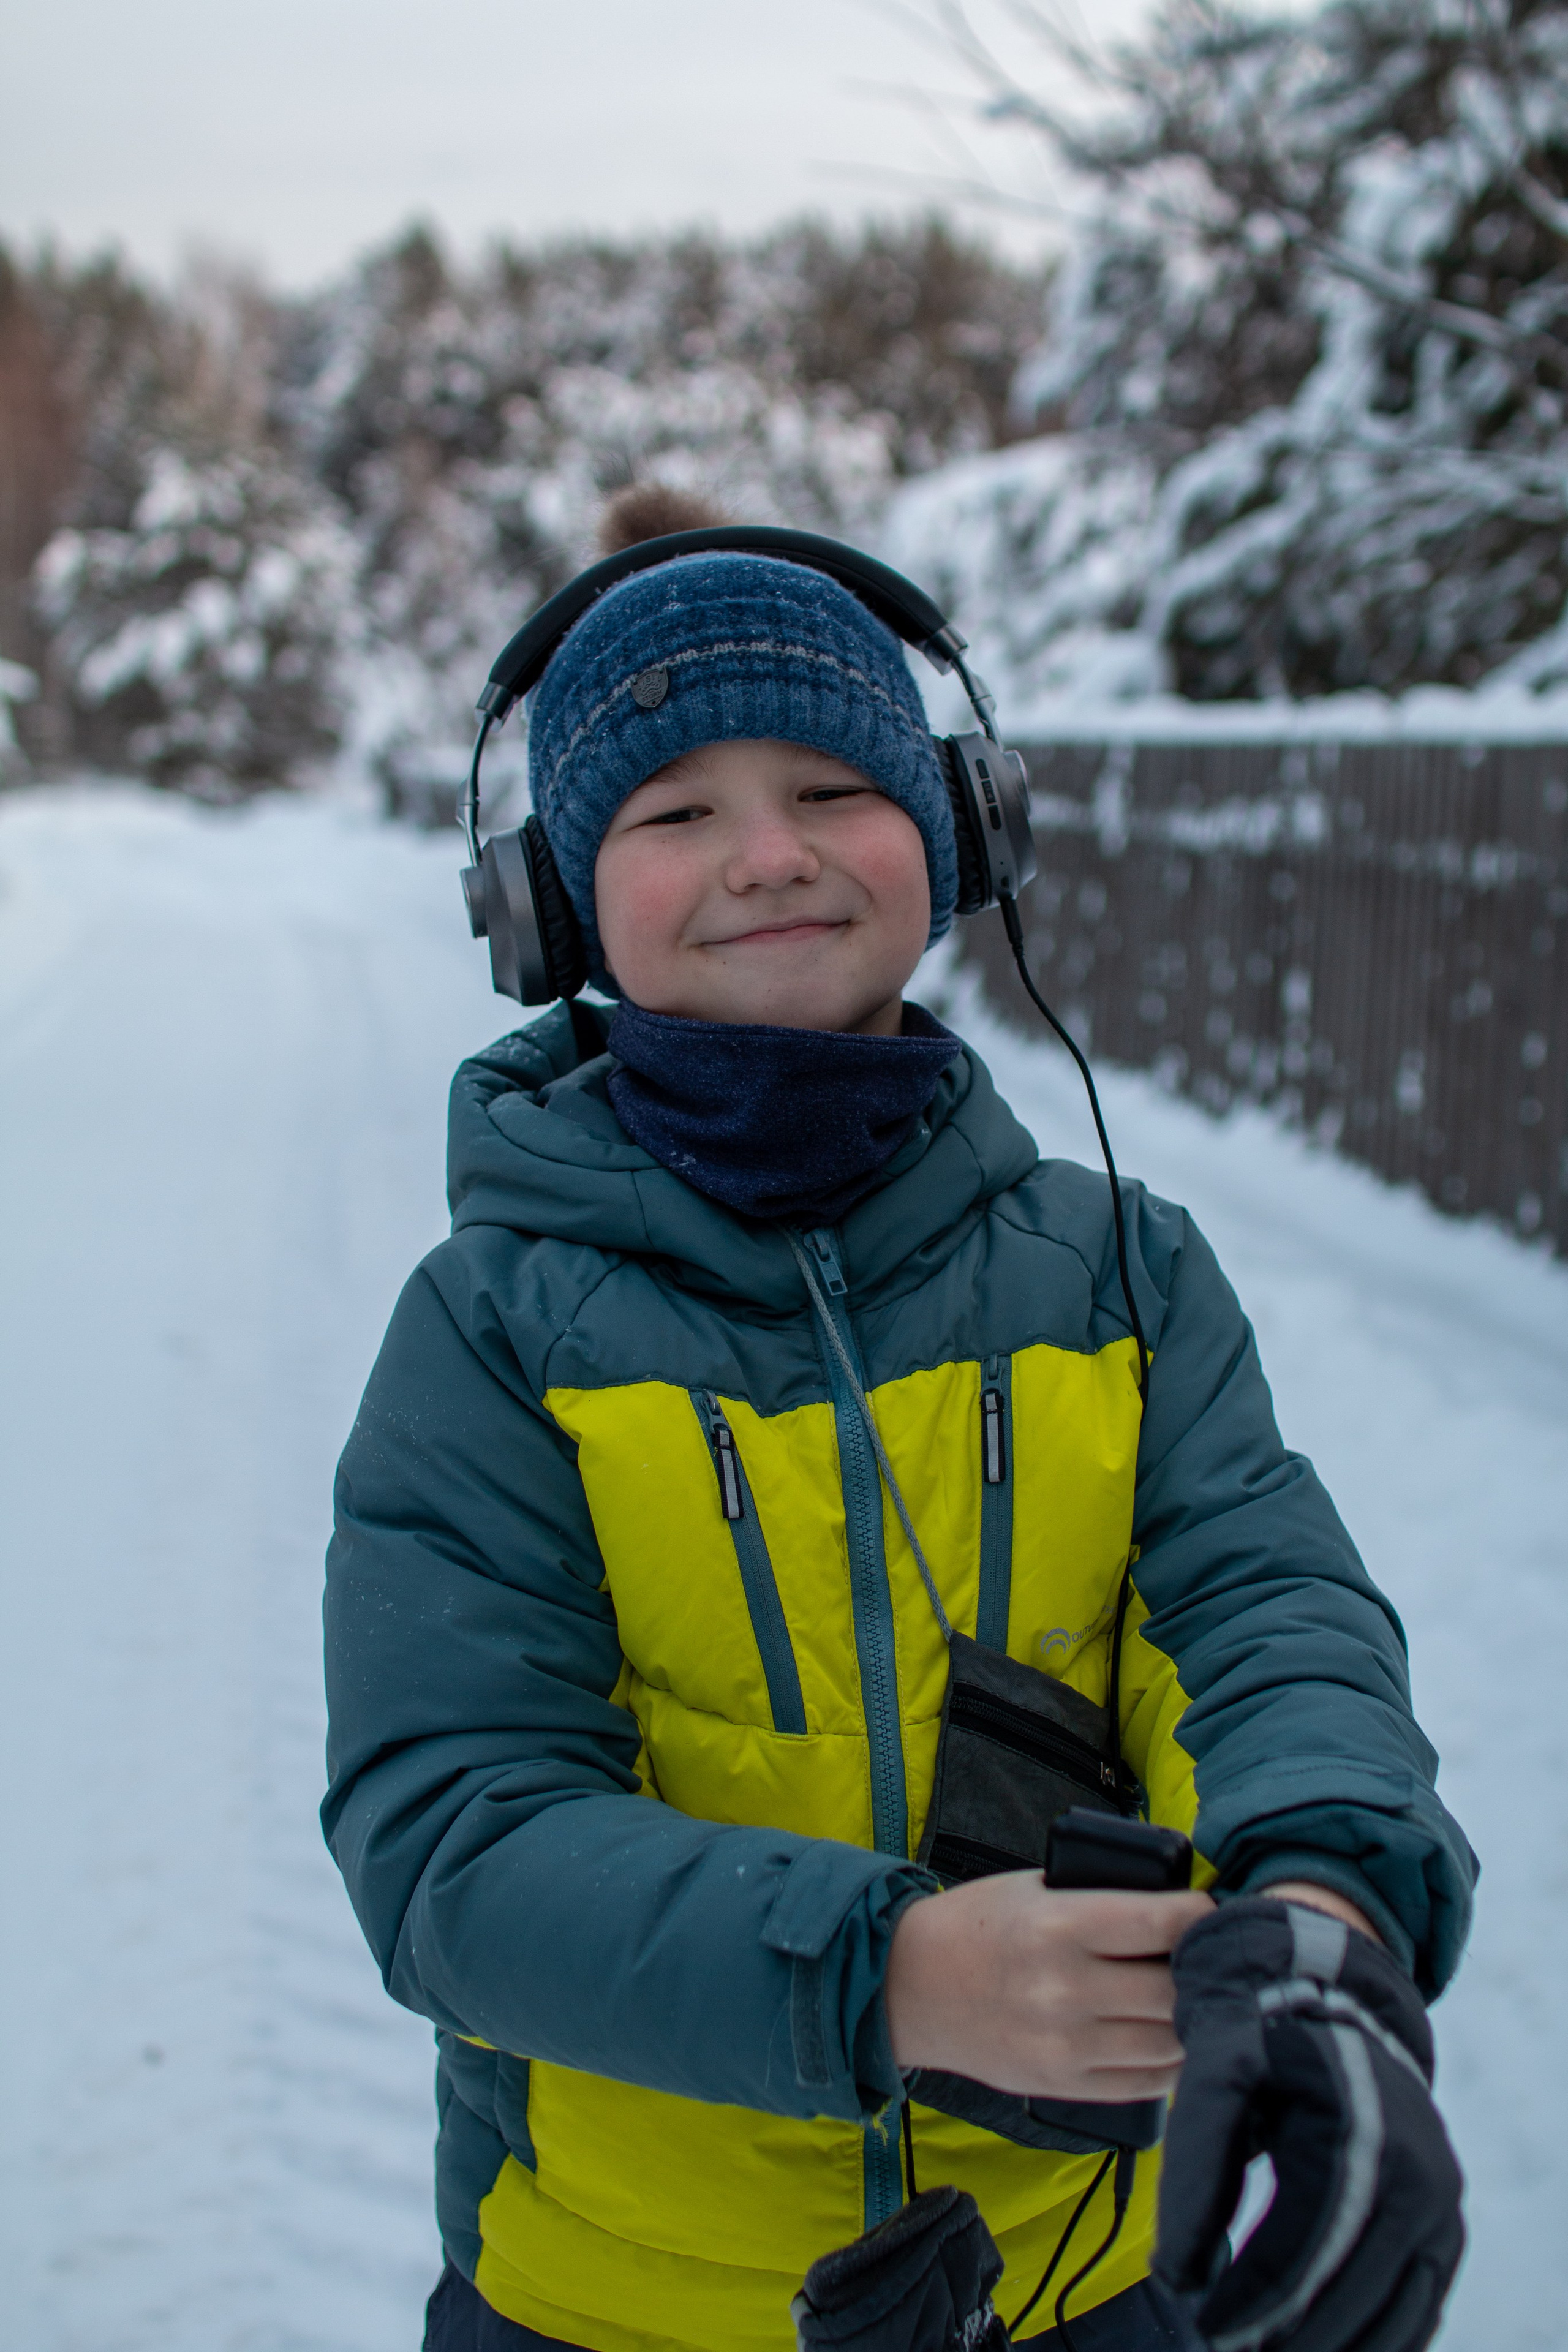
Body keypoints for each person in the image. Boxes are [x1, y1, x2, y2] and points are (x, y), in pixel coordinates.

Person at [322, 486, 1474, 2352]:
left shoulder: (1125, 1278)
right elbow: (456, 1844)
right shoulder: (493, 1337)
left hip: (1091, 2282)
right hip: (613, 2308)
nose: (768, 854)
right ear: (549, 904)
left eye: (834, 788)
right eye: (674, 812)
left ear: (959, 830)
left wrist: (1324, 1918)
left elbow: (1268, 1621)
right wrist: (898, 1977)